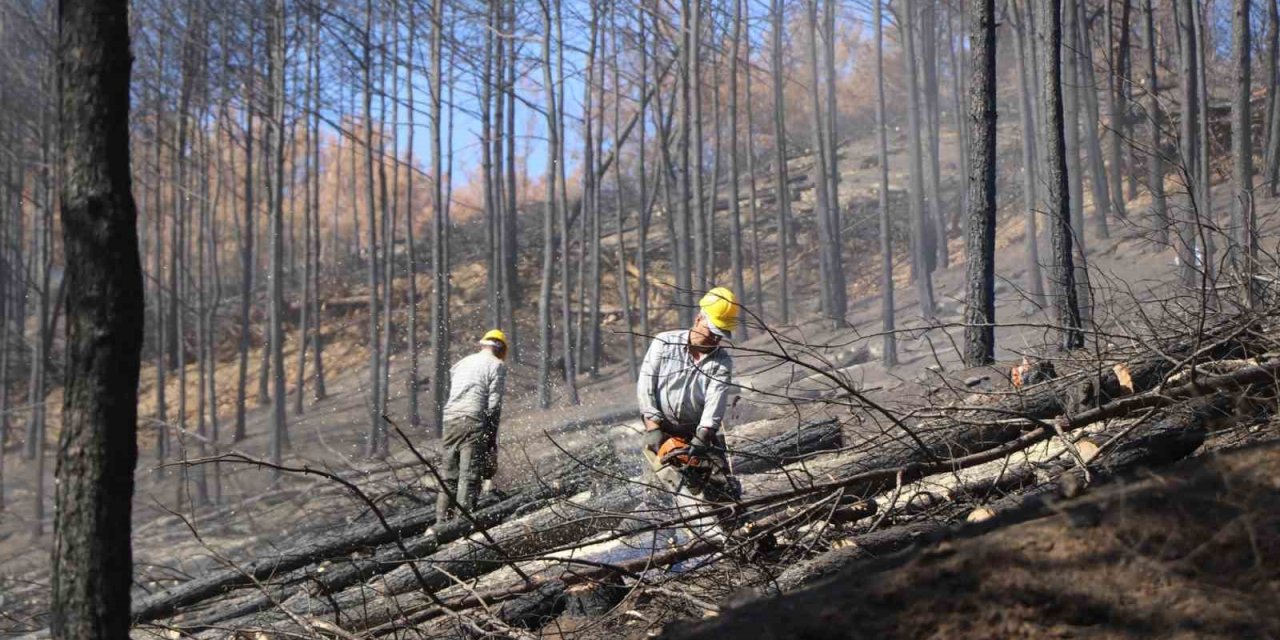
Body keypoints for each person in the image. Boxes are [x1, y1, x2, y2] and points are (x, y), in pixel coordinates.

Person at [636, 287, 741, 536]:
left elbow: (716, 400)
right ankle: (662, 552)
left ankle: (739, 537)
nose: (715, 340)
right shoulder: (664, 344)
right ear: (699, 319)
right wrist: (653, 428)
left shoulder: (721, 361)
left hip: (699, 432)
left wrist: (704, 435)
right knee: (658, 498)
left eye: (720, 335)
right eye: (712, 333)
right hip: (661, 429)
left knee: (723, 491)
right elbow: (645, 386)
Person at [436, 329, 508, 523]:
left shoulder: (462, 363)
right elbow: (494, 405)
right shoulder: (497, 365)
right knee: (469, 475)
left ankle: (441, 523)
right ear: (501, 348)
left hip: (450, 419)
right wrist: (491, 438)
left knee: (449, 477)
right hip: (473, 419)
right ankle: (462, 524)